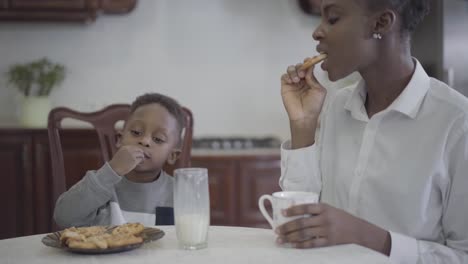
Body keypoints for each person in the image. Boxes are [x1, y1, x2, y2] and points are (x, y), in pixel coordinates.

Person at [277, 0, 468, 263]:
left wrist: (370, 237)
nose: (317, 32)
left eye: (332, 19)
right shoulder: (336, 107)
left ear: (381, 23)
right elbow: (300, 222)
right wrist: (303, 126)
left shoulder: (458, 124)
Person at [54, 93, 186, 228]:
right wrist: (111, 171)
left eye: (158, 139)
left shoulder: (180, 193)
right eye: (136, 132)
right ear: (119, 139)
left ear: (172, 155)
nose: (144, 141)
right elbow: (63, 218)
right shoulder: (99, 184)